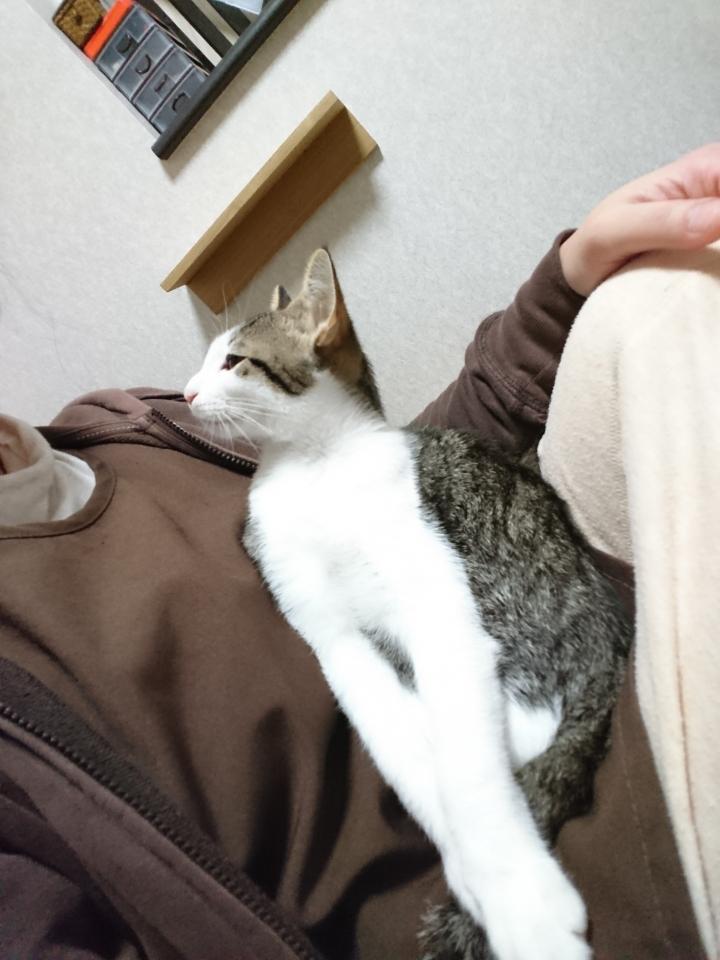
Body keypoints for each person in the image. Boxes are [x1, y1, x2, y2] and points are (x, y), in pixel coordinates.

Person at [1, 145, 718, 960]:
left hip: (539, 652)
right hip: (446, 887)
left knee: (661, 297)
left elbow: (389, 477)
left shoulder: (117, 424)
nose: (198, 387)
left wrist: (568, 280)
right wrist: (495, 863)